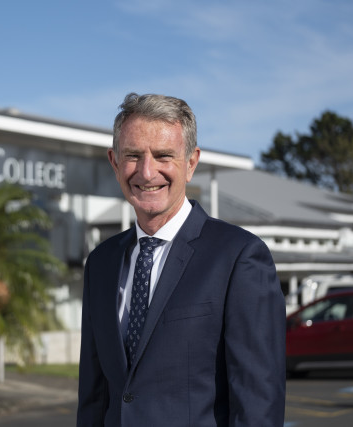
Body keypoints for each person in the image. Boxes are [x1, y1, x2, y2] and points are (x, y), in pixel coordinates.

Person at [77, 93, 286, 426]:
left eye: (163, 155)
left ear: (191, 163)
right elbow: (94, 395)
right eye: (133, 155)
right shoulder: (101, 263)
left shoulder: (239, 257)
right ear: (114, 163)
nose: (147, 172)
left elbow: (257, 402)